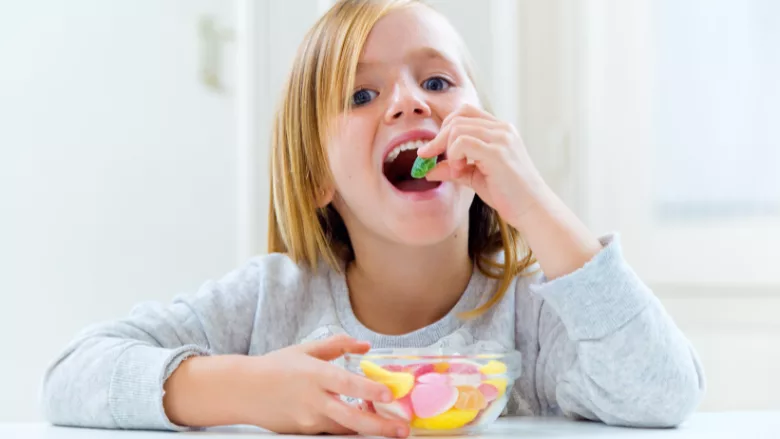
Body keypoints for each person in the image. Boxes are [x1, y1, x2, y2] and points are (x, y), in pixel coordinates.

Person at [41, 1, 705, 437]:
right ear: (317, 178)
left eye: (438, 83)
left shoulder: (530, 315)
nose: (408, 103)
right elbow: (73, 374)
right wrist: (249, 388)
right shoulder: (270, 301)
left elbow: (662, 391)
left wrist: (532, 200)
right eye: (362, 93)